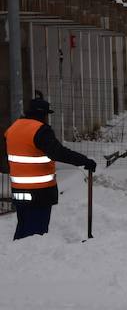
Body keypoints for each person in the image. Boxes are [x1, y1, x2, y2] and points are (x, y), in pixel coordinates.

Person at [4, 93, 96, 240]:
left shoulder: (13, 128)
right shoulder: (40, 131)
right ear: (42, 114)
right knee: (35, 233)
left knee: (23, 227)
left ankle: (21, 257)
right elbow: (58, 152)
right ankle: (32, 260)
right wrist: (84, 160)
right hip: (39, 192)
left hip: (18, 190)